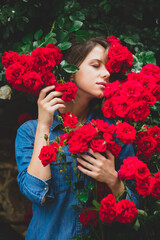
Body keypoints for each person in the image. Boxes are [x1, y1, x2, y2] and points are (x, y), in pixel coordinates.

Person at [15, 38, 138, 240]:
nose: (106, 73)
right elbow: (36, 192)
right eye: (96, 65)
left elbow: (134, 209)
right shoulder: (29, 132)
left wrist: (113, 180)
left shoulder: (115, 131)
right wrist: (44, 126)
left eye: (107, 67)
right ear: (71, 69)